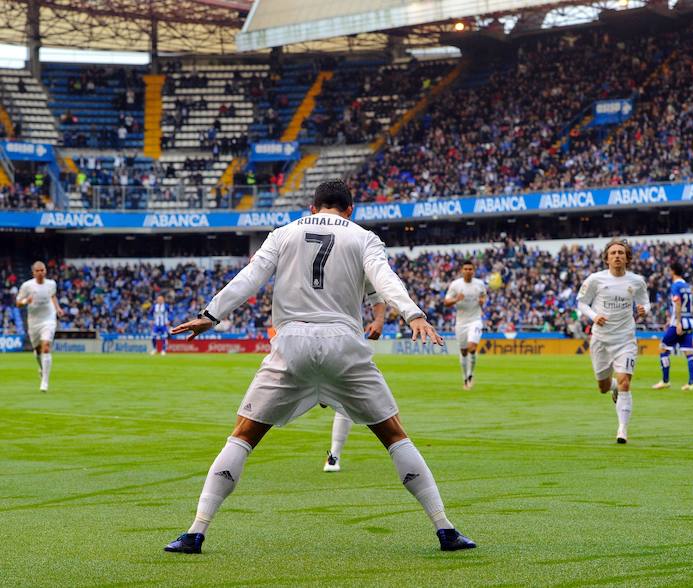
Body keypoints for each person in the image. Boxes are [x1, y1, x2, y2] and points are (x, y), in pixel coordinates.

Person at [165, 179, 475, 553]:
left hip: (291, 344)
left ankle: (195, 532)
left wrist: (210, 315)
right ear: (350, 209)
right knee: (394, 435)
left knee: (243, 435)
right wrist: (413, 314)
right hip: (344, 345)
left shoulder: (283, 234)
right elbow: (384, 280)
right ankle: (445, 529)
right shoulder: (363, 237)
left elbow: (251, 277)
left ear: (312, 208)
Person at [576, 238, 650, 444]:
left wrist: (645, 309)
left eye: (621, 252)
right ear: (607, 259)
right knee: (603, 386)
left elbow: (645, 302)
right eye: (613, 253)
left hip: (625, 339)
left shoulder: (636, 281)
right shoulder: (595, 279)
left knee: (626, 382)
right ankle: (613, 385)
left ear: (627, 258)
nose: (617, 255)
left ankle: (622, 430)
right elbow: (581, 303)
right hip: (601, 340)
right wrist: (594, 316)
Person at [324, 281, 386, 473]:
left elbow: (376, 295)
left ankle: (334, 455)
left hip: (348, 338)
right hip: (308, 338)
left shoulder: (357, 258)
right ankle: (322, 391)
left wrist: (379, 320)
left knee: (345, 400)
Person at [16, 261, 64, 392]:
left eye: (42, 270)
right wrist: (26, 301)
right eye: (37, 271)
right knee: (38, 351)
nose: (40, 273)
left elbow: (53, 296)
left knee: (46, 347)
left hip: (49, 319)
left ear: (45, 271)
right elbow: (18, 303)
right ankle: (42, 368)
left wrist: (58, 308)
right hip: (34, 322)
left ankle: (45, 382)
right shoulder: (27, 286)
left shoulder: (51, 284)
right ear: (33, 272)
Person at [652, 262, 693, 391]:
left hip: (679, 323)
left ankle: (665, 381)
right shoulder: (687, 286)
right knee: (689, 352)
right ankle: (691, 383)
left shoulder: (675, 286)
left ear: (672, 271)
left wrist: (677, 322)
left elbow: (677, 304)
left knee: (663, 348)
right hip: (689, 321)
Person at [443, 260, 487, 390]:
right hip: (461, 323)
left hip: (476, 320)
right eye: (466, 269)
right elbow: (446, 302)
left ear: (474, 271)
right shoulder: (455, 285)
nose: (468, 271)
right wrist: (456, 299)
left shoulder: (479, 284)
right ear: (462, 271)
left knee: (471, 347)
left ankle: (471, 375)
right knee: (463, 352)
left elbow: (484, 296)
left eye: (470, 269)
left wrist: (482, 301)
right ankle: (465, 377)